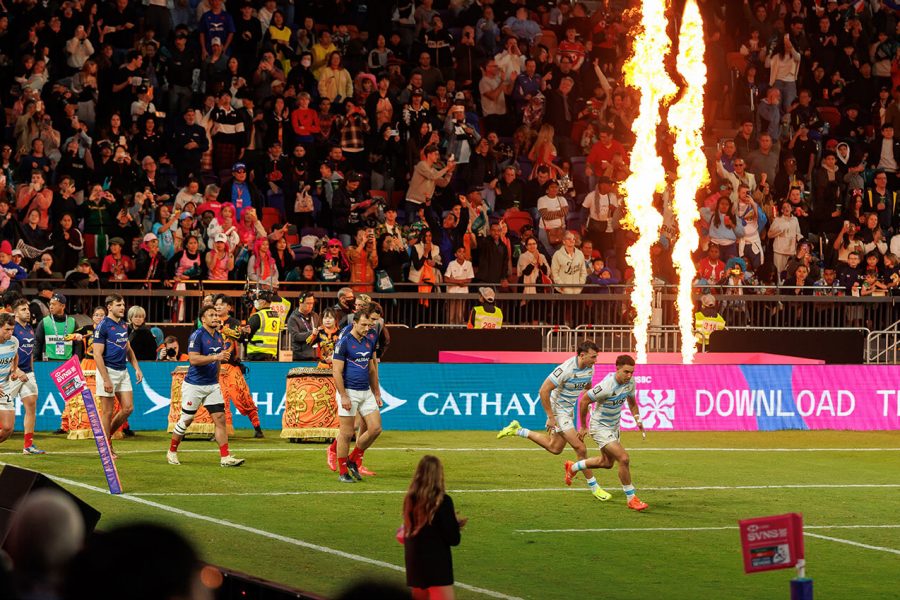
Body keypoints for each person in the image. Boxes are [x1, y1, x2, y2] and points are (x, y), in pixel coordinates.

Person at [497, 340, 611, 501]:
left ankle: (518, 430)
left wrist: (590, 397)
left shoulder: (589, 368)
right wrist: (551, 417)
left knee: (555, 448)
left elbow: (587, 385)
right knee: (580, 448)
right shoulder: (565, 369)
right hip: (558, 411)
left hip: (568, 410)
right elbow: (543, 390)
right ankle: (594, 487)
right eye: (593, 357)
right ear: (582, 355)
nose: (595, 360)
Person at [566, 354, 648, 511]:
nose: (629, 375)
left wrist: (638, 419)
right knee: (623, 458)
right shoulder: (606, 386)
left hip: (614, 427)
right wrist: (583, 426)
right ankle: (632, 498)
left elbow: (632, 403)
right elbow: (584, 400)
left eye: (632, 372)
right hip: (600, 427)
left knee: (607, 463)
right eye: (626, 372)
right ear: (617, 368)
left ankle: (573, 467)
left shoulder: (630, 382)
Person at [167, 305, 245, 467]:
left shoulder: (218, 336)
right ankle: (172, 451)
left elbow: (216, 360)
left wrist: (216, 378)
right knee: (186, 420)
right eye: (211, 315)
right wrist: (216, 356)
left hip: (211, 385)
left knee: (220, 419)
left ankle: (225, 457)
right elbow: (194, 359)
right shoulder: (197, 336)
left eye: (217, 315)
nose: (216, 318)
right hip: (194, 385)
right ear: (203, 319)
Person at [402, 455, 466, 600]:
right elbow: (454, 539)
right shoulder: (443, 501)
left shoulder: (410, 499)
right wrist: (454, 522)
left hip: (414, 563)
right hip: (437, 565)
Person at [332, 304, 383, 483]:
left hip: (365, 391)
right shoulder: (344, 342)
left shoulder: (370, 339)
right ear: (354, 323)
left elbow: (371, 370)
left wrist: (376, 392)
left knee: (376, 428)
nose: (366, 328)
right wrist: (343, 395)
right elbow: (336, 371)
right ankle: (343, 471)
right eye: (363, 325)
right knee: (346, 433)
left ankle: (353, 459)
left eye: (368, 325)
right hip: (349, 391)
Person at [94, 294, 143, 458]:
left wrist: (136, 367)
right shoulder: (102, 326)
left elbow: (128, 349)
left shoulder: (124, 325)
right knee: (107, 412)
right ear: (109, 307)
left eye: (123, 304)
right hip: (107, 371)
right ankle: (106, 447)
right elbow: (97, 355)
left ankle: (105, 439)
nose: (122, 307)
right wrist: (106, 379)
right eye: (118, 305)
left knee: (128, 408)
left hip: (123, 371)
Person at [215, 294, 263, 438]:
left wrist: (222, 328)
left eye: (221, 304)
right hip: (213, 367)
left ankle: (257, 427)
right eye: (216, 304)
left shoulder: (234, 322)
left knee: (242, 396)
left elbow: (240, 337)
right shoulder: (210, 321)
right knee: (218, 399)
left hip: (230, 366)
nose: (218, 307)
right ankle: (221, 430)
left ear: (229, 308)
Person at [11, 298, 45, 454]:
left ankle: (28, 445)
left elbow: (30, 352)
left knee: (31, 404)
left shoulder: (30, 329)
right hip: (11, 374)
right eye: (23, 309)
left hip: (27, 373)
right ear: (15, 312)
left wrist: (31, 371)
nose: (27, 312)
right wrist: (16, 370)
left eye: (27, 309)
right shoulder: (11, 328)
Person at [33, 292, 83, 362]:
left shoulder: (72, 322)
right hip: (48, 362)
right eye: (50, 304)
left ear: (62, 306)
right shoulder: (44, 322)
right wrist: (35, 362)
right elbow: (38, 343)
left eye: (54, 304)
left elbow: (78, 344)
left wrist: (77, 361)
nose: (51, 307)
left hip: (68, 362)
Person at [0, 313, 21, 446]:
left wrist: (14, 370)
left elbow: (15, 356)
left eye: (12, 329)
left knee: (8, 429)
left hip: (4, 388)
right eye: (7, 329)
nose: (10, 333)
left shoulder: (14, 341)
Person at [245, 290, 282, 361]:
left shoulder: (258, 316)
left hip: (256, 354)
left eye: (257, 300)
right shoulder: (276, 315)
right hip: (271, 354)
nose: (255, 302)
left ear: (264, 301)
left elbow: (247, 334)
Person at [287, 292, 320, 361]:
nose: (311, 306)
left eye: (312, 303)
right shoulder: (293, 318)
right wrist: (311, 333)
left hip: (316, 355)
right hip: (300, 357)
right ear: (300, 303)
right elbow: (296, 336)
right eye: (308, 303)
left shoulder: (315, 315)